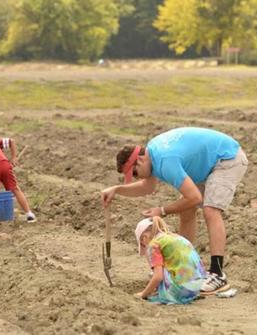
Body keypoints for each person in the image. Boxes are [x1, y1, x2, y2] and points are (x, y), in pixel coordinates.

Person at [101, 127, 248, 294]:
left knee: (210, 210)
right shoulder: (152, 155)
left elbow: (194, 198)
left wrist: (162, 210)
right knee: (186, 209)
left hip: (227, 159)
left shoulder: (165, 160)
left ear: (140, 161)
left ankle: (217, 274)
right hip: (209, 162)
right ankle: (185, 267)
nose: (137, 177)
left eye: (135, 173)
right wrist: (117, 189)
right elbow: (147, 187)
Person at [135, 216, 206, 304]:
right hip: (197, 285)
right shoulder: (174, 236)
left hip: (181, 289)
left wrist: (143, 294)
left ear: (144, 238)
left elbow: (158, 277)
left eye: (143, 245)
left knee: (155, 271)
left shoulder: (154, 245)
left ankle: (169, 296)